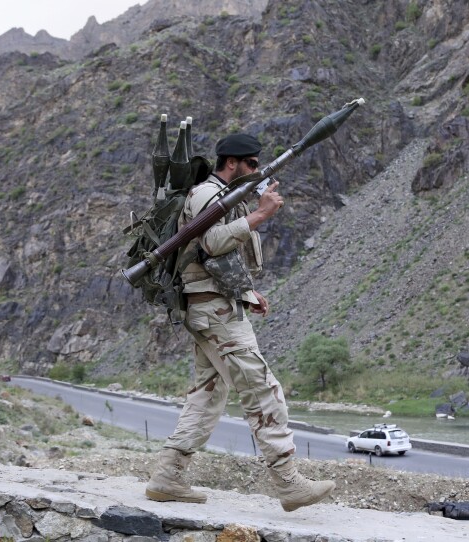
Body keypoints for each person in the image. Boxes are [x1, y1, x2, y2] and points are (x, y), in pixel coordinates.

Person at [144, 133, 335, 512]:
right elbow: (210, 243)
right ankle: (287, 481)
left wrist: (247, 292)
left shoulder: (222, 197)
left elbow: (211, 263)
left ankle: (168, 476)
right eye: (250, 164)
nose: (255, 171)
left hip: (213, 306)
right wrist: (260, 214)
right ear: (231, 163)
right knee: (261, 388)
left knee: (208, 395)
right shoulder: (206, 196)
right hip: (216, 315)